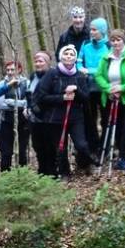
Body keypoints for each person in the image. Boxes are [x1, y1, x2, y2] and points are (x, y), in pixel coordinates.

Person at [33, 45, 95, 176]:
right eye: (66, 54)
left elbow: (86, 98)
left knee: (81, 145)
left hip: (75, 117)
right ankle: (64, 173)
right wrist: (62, 97)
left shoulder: (79, 75)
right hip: (55, 118)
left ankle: (85, 164)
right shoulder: (52, 74)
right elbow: (41, 96)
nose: (69, 57)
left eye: (72, 55)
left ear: (75, 58)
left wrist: (76, 90)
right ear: (61, 57)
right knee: (60, 148)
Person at [95, 29, 125, 172]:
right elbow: (98, 76)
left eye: (118, 39)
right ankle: (120, 156)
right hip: (111, 98)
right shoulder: (106, 57)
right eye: (113, 40)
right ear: (110, 42)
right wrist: (109, 89)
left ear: (123, 40)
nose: (116, 42)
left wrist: (122, 88)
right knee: (116, 129)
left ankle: (124, 158)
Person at [79, 18, 110, 154]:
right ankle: (94, 147)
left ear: (102, 30)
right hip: (88, 89)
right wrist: (81, 69)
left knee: (106, 119)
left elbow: (109, 67)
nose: (91, 32)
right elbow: (79, 63)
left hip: (105, 89)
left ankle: (106, 146)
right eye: (90, 29)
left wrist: (90, 71)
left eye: (94, 29)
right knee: (91, 120)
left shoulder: (109, 45)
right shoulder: (85, 44)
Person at [0, 62, 31, 172]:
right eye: (8, 70)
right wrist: (21, 104)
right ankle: (5, 177)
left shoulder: (26, 83)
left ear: (19, 70)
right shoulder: (2, 84)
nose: (10, 72)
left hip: (24, 121)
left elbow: (29, 102)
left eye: (12, 69)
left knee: (22, 151)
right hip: (6, 121)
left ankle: (23, 176)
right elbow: (0, 104)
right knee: (6, 152)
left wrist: (11, 102)